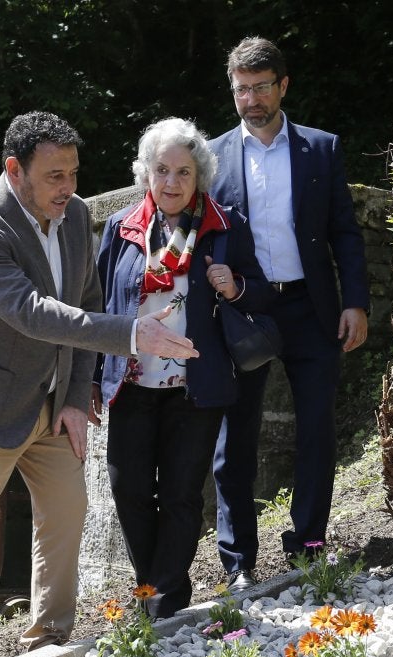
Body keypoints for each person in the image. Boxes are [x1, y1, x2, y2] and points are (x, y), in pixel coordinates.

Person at [0, 111, 198, 649]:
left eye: (73, 173)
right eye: (54, 176)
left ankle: (49, 640)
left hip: (57, 402)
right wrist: (131, 335)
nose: (69, 188)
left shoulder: (78, 215)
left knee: (65, 519)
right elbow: (32, 312)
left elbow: (85, 300)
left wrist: (80, 394)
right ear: (15, 170)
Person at [208, 37, 369, 591]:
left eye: (260, 87)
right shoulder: (210, 158)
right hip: (244, 308)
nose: (250, 99)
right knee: (236, 436)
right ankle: (237, 560)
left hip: (311, 306)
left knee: (317, 429)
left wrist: (355, 301)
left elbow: (345, 232)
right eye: (240, 90)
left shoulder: (321, 149)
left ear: (283, 85)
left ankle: (308, 545)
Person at [94, 117, 267, 618]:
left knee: (180, 494)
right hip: (132, 382)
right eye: (162, 170)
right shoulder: (120, 228)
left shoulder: (226, 226)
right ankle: (150, 586)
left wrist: (233, 286)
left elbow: (259, 294)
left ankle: (165, 599)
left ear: (199, 177)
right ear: (147, 173)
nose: (171, 183)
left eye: (184, 172)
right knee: (128, 489)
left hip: (196, 385)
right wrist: (89, 380)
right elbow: (100, 309)